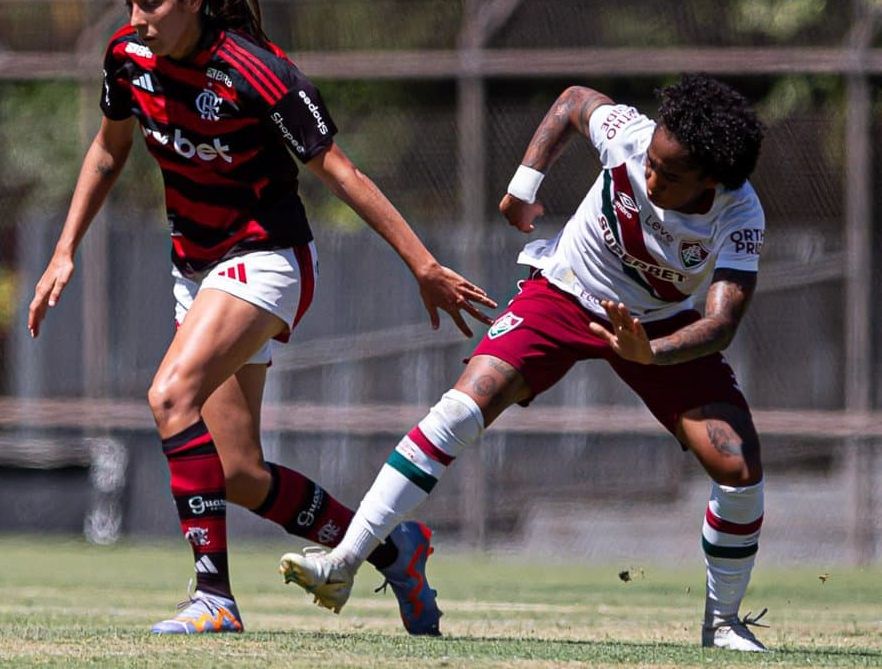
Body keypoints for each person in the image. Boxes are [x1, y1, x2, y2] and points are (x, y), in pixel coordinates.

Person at [27, 0, 496, 636]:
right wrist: (65, 250)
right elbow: (108, 149)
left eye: (151, 4)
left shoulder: (258, 72)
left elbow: (343, 173)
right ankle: (392, 549)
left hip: (268, 259)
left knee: (169, 395)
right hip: (196, 268)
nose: (136, 19)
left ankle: (213, 599)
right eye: (128, 3)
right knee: (239, 474)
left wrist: (423, 265)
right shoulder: (126, 58)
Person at [279, 75, 770, 651]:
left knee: (738, 468)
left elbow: (722, 322)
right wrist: (523, 184)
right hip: (565, 290)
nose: (649, 176)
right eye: (650, 163)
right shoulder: (630, 136)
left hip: (655, 325)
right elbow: (573, 101)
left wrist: (651, 351)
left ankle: (723, 624)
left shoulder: (740, 214)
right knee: (462, 406)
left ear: (711, 180)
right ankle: (343, 562)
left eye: (669, 175)